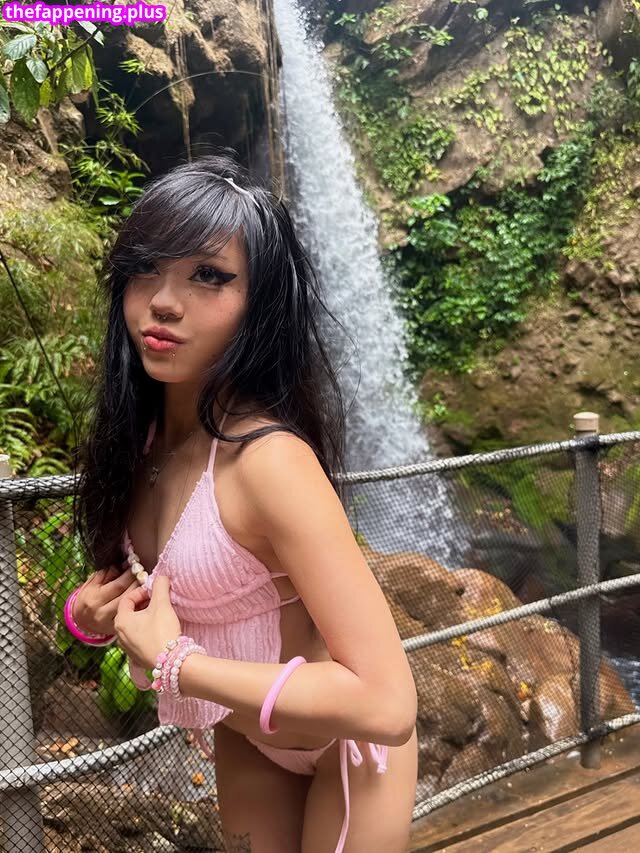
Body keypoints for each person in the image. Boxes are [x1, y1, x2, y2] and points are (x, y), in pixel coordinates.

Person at [67, 151, 418, 852]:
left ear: (259, 303)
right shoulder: (138, 447)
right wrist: (88, 615)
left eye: (209, 276)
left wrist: (179, 666)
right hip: (246, 733)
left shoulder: (269, 463)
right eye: (147, 268)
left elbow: (387, 703)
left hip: (345, 747)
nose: (164, 301)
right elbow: (132, 589)